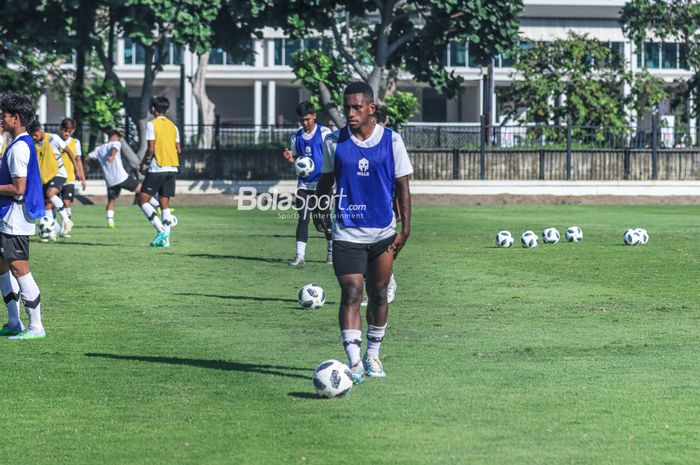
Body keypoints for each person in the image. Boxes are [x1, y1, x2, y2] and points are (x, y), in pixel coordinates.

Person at [316, 81, 412, 383]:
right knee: (352, 293)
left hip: (383, 232)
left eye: (356, 107)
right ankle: (354, 361)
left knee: (379, 294)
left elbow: (402, 186)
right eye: (347, 107)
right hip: (346, 232)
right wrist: (319, 209)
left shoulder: (392, 141)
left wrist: (405, 227)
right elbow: (326, 180)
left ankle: (373, 354)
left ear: (372, 108)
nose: (350, 112)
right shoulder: (334, 141)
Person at [0, 93, 48, 339]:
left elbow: (19, 188)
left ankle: (36, 326)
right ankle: (13, 321)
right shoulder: (19, 143)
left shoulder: (19, 148)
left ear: (15, 118)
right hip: (7, 215)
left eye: (4, 114)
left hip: (15, 217)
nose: (2, 118)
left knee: (20, 269)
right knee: (2, 266)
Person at [282, 101, 332, 266]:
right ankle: (299, 256)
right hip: (304, 185)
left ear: (314, 116)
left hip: (322, 184)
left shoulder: (325, 133)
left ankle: (331, 252)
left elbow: (332, 155)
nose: (305, 123)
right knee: (303, 219)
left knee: (324, 219)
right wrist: (291, 159)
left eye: (308, 119)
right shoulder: (296, 137)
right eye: (302, 120)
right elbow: (298, 161)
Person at [361, 106, 398, 306]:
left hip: (384, 207)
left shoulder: (391, 143)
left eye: (376, 122)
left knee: (378, 251)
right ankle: (378, 288)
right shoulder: (363, 144)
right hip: (363, 206)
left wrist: (399, 209)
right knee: (364, 251)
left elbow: (401, 182)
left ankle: (388, 285)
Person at [88, 130, 158, 228]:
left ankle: (110, 221)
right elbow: (114, 149)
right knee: (143, 190)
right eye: (119, 136)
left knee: (111, 200)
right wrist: (112, 156)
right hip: (122, 178)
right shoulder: (116, 143)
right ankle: (158, 206)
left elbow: (88, 157)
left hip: (110, 181)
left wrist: (85, 166)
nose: (120, 139)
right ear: (114, 136)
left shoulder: (99, 149)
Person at [29, 120, 85, 238]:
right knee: (47, 205)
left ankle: (67, 220)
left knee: (51, 193)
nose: (34, 137)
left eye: (35, 134)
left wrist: (77, 169)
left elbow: (69, 151)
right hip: (45, 177)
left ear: (40, 130)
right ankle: (51, 232)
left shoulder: (53, 138)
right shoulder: (34, 143)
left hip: (59, 173)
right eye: (32, 135)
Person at [138, 96, 180, 248]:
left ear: (153, 109)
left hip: (158, 167)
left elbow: (150, 149)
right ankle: (166, 241)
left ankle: (161, 230)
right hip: (172, 167)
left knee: (142, 200)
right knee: (165, 204)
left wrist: (143, 163)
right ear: (167, 109)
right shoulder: (173, 126)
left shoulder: (151, 124)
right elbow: (178, 149)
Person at [58, 117, 87, 221]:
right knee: (52, 203)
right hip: (55, 177)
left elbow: (78, 160)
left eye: (70, 131)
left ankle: (66, 226)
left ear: (73, 131)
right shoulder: (54, 141)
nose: (67, 134)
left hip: (69, 177)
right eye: (65, 131)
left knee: (67, 202)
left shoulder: (75, 142)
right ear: (60, 129)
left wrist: (82, 178)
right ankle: (51, 224)